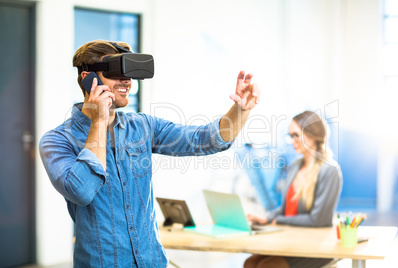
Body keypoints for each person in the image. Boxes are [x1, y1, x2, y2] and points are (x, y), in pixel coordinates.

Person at [39, 40, 260, 267]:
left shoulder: (143, 126)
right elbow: (82, 191)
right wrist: (99, 121)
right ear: (88, 78)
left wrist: (240, 111)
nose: (127, 81)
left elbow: (203, 139)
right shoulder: (57, 140)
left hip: (151, 261)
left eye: (130, 74)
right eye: (117, 73)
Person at [244, 111, 343, 268]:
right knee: (250, 263)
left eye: (296, 135)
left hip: (314, 246)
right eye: (290, 136)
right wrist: (266, 218)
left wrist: (277, 220)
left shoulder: (330, 170)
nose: (292, 141)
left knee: (265, 266)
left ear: (313, 135)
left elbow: (318, 220)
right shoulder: (295, 166)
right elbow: (285, 209)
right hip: (290, 238)